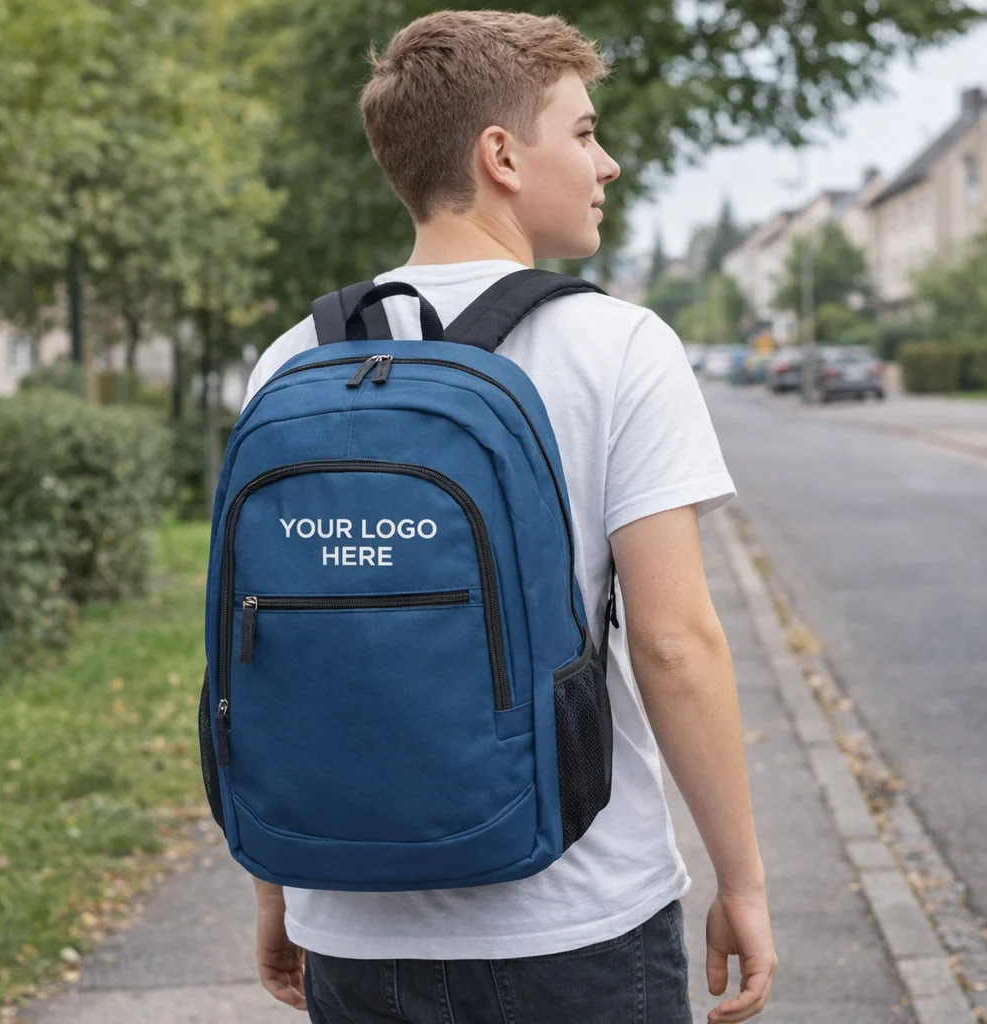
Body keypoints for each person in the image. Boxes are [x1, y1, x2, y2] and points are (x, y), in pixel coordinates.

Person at [240, 10, 777, 1023]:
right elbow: (673, 644)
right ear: (501, 156)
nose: (606, 162)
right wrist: (740, 881)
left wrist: (276, 883)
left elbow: (267, 647)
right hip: (578, 918)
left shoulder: (290, 361)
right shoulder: (618, 345)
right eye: (580, 132)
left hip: (350, 921)